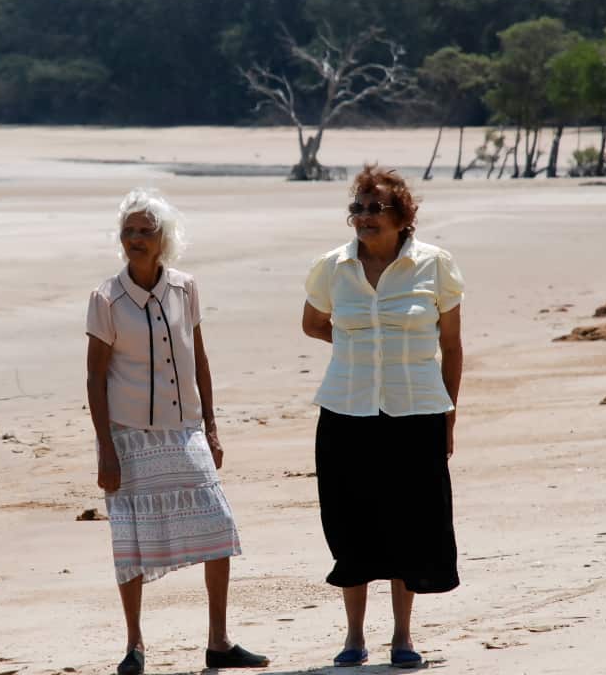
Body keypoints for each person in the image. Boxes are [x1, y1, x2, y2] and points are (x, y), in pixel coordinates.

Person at [85, 188, 269, 675]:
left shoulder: (186, 288)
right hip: (129, 435)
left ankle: (219, 642)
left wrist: (212, 427)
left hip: (185, 429)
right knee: (130, 542)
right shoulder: (105, 298)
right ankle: (134, 645)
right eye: (128, 231)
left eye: (145, 231)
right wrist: (105, 449)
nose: (135, 239)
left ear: (163, 238)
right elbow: (94, 377)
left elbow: (199, 360)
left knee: (218, 525)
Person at [301, 165, 464, 669]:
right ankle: (353, 636)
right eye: (358, 207)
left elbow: (452, 345)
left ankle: (402, 636)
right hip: (346, 411)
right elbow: (313, 323)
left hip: (415, 412)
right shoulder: (333, 267)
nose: (365, 216)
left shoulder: (434, 265)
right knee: (350, 525)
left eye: (376, 208)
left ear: (403, 216)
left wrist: (450, 413)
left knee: (408, 526)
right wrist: (361, 346)